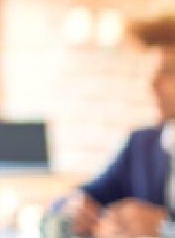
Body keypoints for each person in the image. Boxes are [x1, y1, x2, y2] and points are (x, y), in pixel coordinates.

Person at [58, 15, 175, 238]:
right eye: (153, 72)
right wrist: (75, 207)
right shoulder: (142, 144)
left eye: (168, 72)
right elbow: (84, 195)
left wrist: (166, 228)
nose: (153, 83)